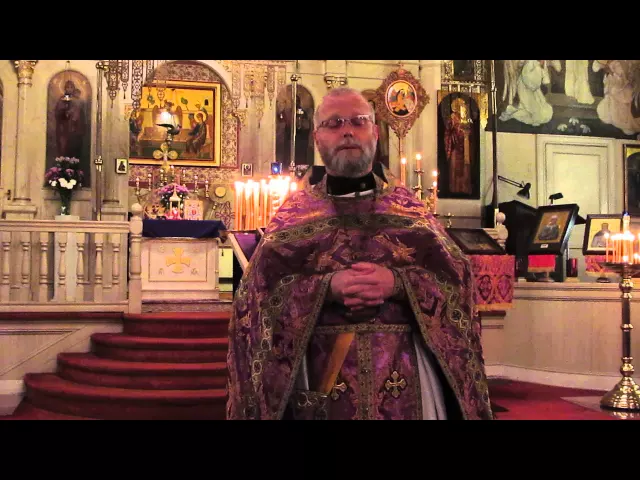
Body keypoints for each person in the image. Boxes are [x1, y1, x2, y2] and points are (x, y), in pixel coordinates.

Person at [226, 87, 494, 420]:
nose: (347, 131)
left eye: (358, 121)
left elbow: (457, 284)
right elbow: (256, 301)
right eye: (334, 123)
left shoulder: (412, 214)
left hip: (408, 381)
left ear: (375, 132)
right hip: (316, 379)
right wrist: (326, 288)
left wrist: (397, 283)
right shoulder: (293, 219)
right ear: (317, 138)